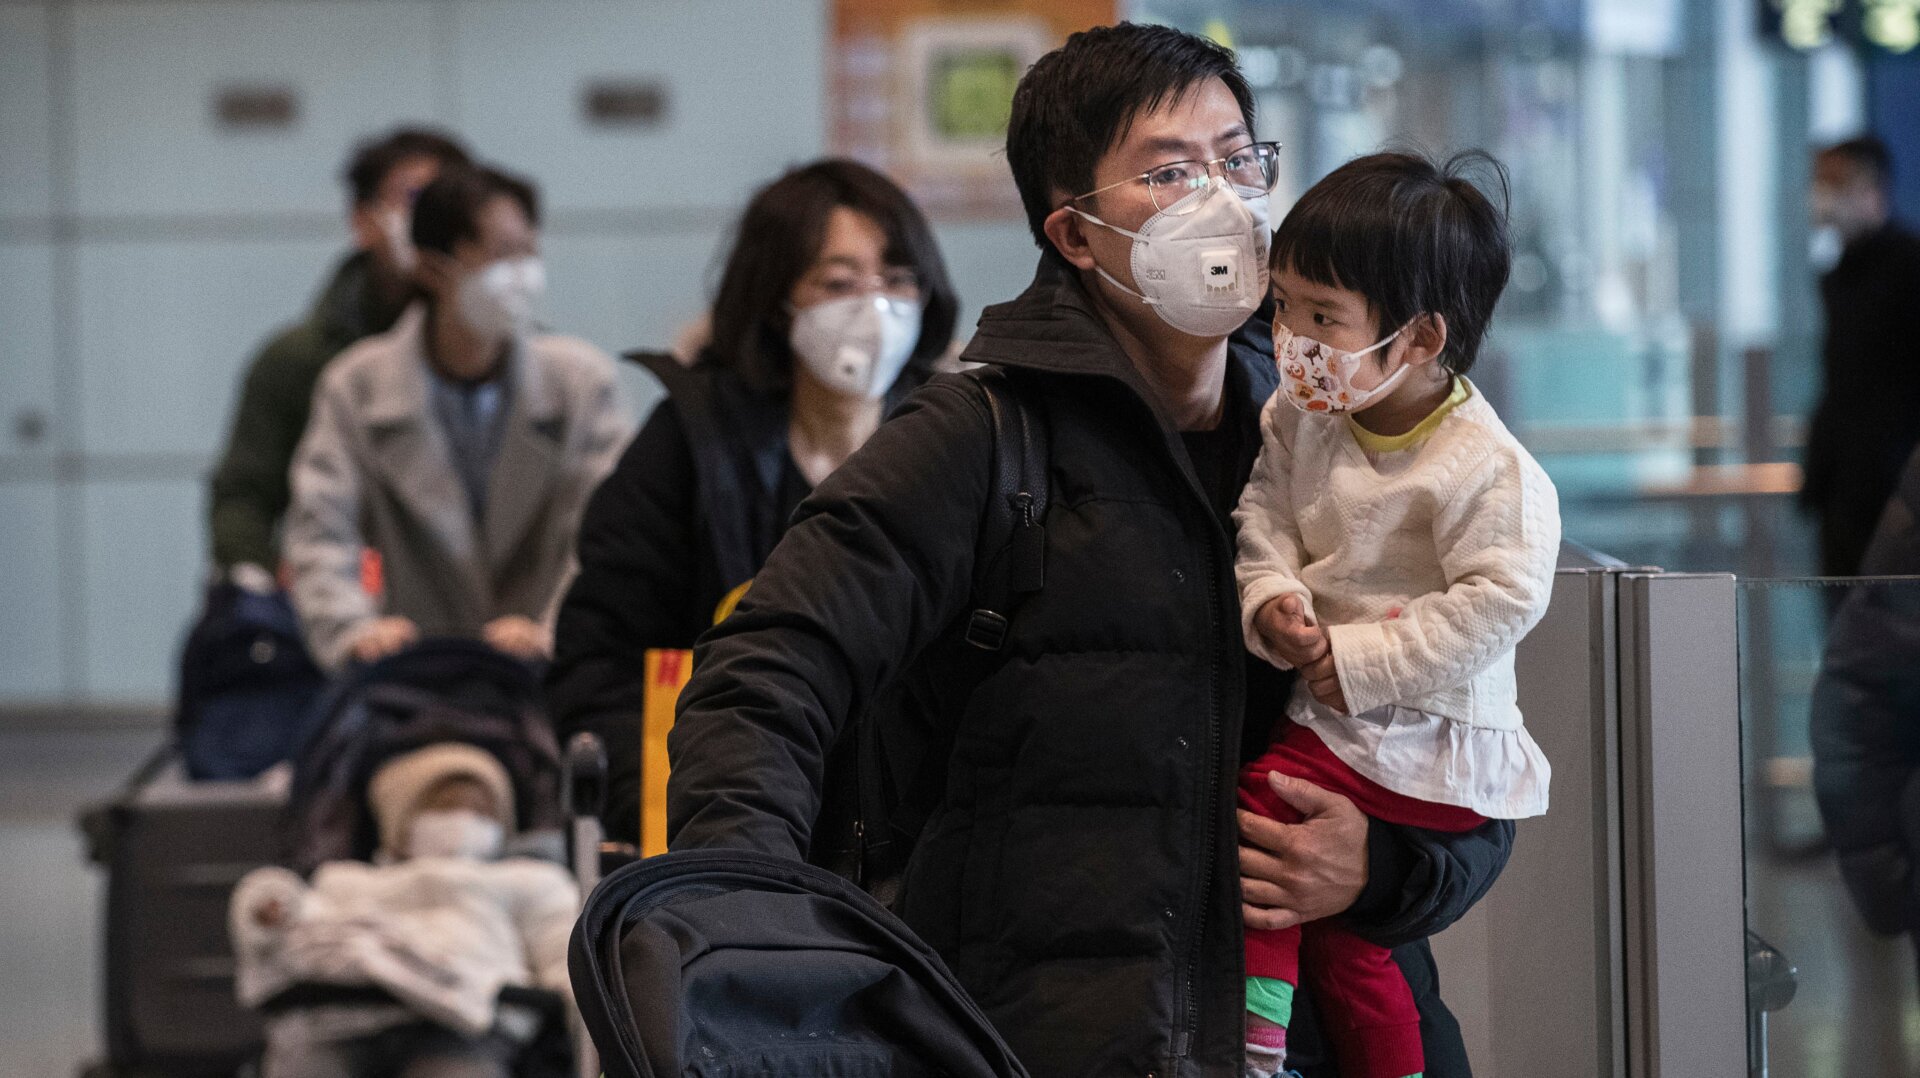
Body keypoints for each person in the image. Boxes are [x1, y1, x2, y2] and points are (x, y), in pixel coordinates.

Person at [663, 23, 1513, 1078]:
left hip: (1327, 1042)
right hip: (1043, 1041)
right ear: (1074, 233)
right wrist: (749, 938)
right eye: (1168, 170)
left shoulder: (1343, 433)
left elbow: (1477, 744)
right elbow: (766, 670)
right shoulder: (979, 439)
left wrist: (1382, 867)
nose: (1224, 197)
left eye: (1239, 159)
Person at [1232, 152, 1559, 1078]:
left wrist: (1363, 657)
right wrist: (1274, 597)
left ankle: (1255, 1045)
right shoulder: (1304, 414)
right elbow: (1262, 514)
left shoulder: (1487, 469)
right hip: (1344, 716)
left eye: (1322, 316)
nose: (1290, 335)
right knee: (1348, 943)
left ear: (1419, 339)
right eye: (1284, 303)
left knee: (1263, 812)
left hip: (1426, 734)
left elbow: (1504, 598)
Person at [547, 158, 958, 848]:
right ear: (777, 299)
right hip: (720, 818)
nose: (874, 307)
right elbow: (602, 655)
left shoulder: (957, 440)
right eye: (838, 282)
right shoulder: (691, 441)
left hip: (913, 834)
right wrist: (659, 809)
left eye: (897, 279)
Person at [286, 163, 631, 672]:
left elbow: (610, 534)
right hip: (411, 678)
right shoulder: (356, 386)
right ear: (431, 267)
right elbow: (320, 533)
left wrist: (554, 630)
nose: (521, 275)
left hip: (549, 681)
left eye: (528, 253)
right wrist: (355, 630)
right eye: (499, 256)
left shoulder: (582, 384)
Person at [210, 127, 472, 576]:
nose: (431, 220)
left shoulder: (516, 358)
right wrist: (272, 578)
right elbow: (244, 500)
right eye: (413, 199)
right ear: (363, 220)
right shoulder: (297, 361)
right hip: (334, 609)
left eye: (450, 205)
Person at [232, 742, 578, 1078]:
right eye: (444, 808)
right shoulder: (348, 881)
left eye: (481, 812)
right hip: (341, 1023)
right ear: (401, 815)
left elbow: (563, 950)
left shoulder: (525, 879)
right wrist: (267, 907)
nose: (463, 821)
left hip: (464, 1031)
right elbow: (289, 923)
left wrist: (580, 1011)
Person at [1802, 135, 1920, 582]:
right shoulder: (1838, 277)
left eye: (1835, 182)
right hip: (1841, 491)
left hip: (1898, 497)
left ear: (1872, 190)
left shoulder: (1910, 266)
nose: (1821, 196)